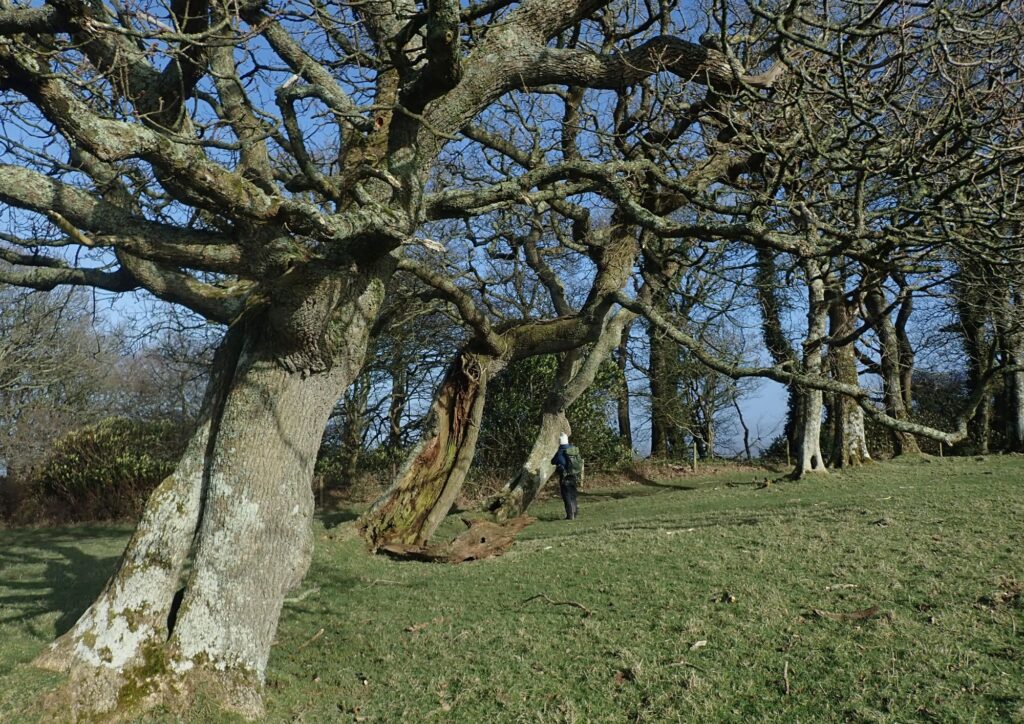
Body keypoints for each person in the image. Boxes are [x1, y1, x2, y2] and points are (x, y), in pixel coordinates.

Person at [551, 432, 583, 520]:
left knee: (566, 495)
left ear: (560, 441)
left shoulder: (560, 451)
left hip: (565, 476)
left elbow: (553, 461)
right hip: (574, 475)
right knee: (573, 494)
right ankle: (575, 513)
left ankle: (570, 515)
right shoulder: (573, 449)